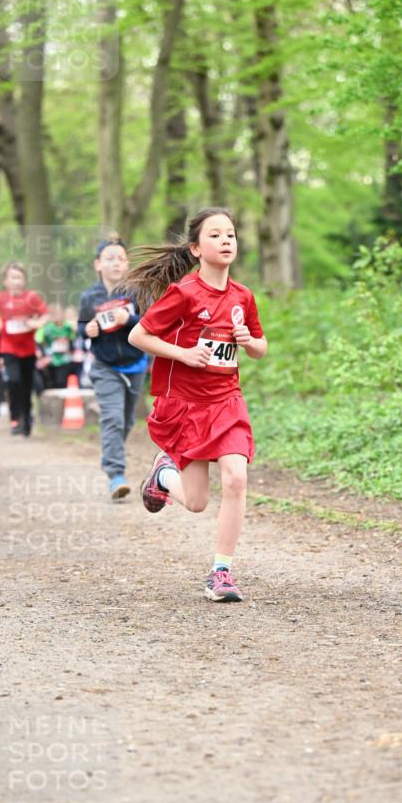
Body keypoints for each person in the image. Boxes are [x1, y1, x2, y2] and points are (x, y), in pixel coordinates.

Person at [127, 206, 267, 603]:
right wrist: (183, 354)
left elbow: (260, 348)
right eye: (216, 235)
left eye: (231, 235)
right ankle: (162, 477)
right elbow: (139, 336)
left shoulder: (243, 296)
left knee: (237, 479)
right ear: (194, 248)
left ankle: (220, 572)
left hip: (226, 400)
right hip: (186, 404)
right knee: (196, 502)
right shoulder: (184, 294)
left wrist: (247, 340)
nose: (226, 241)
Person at [78, 237, 147, 501]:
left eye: (120, 258)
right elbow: (81, 328)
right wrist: (88, 330)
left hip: (136, 364)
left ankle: (110, 453)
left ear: (127, 263)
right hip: (104, 366)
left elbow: (150, 323)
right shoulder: (89, 297)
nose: (116, 263)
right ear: (98, 264)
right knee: (113, 418)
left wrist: (127, 318)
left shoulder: (136, 291)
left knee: (126, 421)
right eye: (110, 258)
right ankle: (115, 474)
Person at [0, 262, 47, 435]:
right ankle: (15, 417)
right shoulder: (0, 298)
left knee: (26, 385)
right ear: (5, 281)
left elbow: (45, 315)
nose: (16, 281)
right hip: (8, 348)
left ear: (24, 280)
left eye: (19, 277)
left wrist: (36, 323)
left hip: (28, 349)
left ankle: (26, 416)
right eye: (12, 277)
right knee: (13, 381)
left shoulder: (31, 297)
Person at [35, 303, 74, 389]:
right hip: (51, 361)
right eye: (55, 313)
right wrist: (43, 356)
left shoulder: (68, 326)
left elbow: (74, 338)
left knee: (62, 383)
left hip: (65, 359)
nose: (57, 315)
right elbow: (38, 340)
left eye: (59, 313)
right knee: (52, 384)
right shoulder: (47, 328)